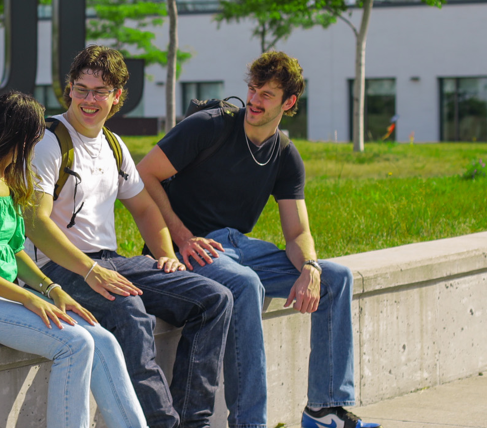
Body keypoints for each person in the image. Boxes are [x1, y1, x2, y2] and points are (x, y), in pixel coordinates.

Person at [136, 51, 379, 428]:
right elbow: (144, 175)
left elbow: (297, 232)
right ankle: (250, 422)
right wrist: (181, 237)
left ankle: (325, 410)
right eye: (252, 89)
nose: (254, 100)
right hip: (191, 247)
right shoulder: (209, 126)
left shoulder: (284, 154)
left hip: (237, 247)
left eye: (266, 94)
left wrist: (311, 268)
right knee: (246, 285)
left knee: (336, 278)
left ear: (289, 102)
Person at [23, 45, 233, 428]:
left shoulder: (114, 146)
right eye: (81, 89)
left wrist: (166, 253)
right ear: (69, 89)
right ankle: (161, 423)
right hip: (56, 267)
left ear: (117, 96)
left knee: (214, 299)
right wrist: (89, 271)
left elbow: (146, 209)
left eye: (100, 91)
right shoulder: (49, 141)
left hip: (111, 261)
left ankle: (194, 421)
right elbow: (35, 224)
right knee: (128, 310)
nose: (89, 100)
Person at [0, 91, 148, 428]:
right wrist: (29, 300)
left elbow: (15, 250)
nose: (39, 146)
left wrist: (51, 289)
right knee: (75, 344)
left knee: (102, 338)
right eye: (36, 138)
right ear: (20, 137)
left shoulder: (8, 179)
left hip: (0, 296)